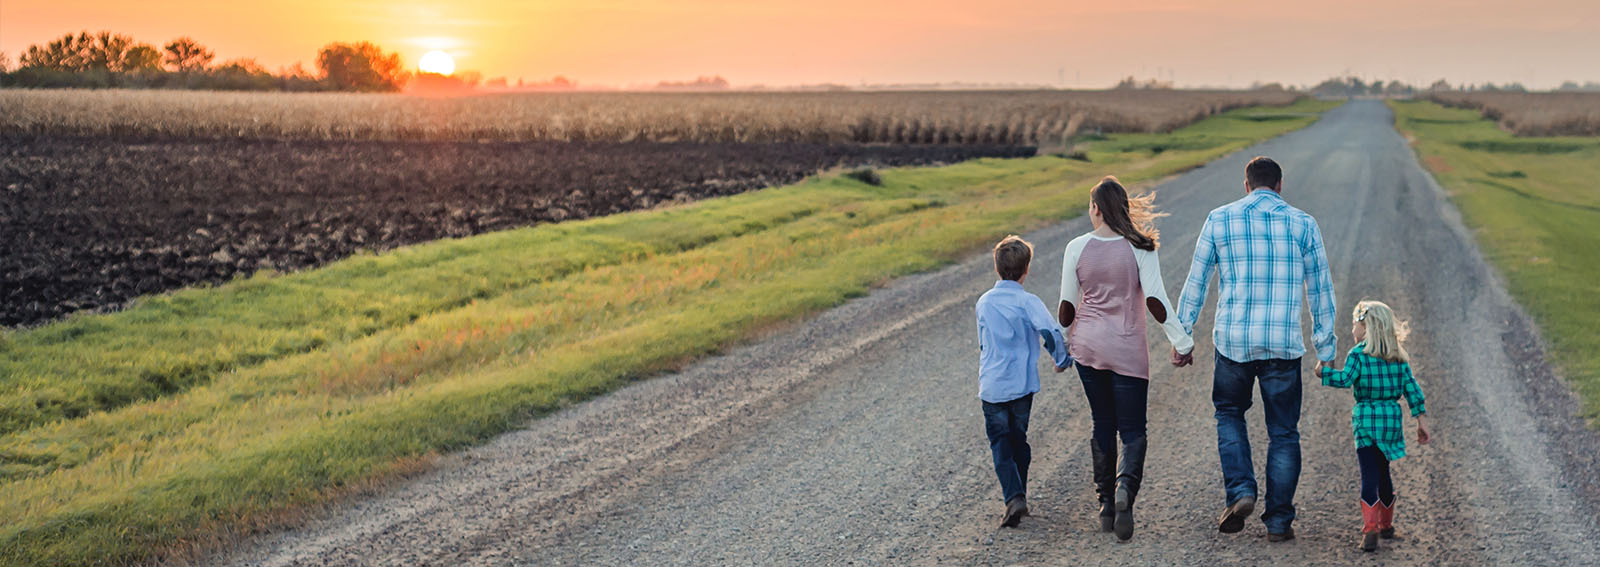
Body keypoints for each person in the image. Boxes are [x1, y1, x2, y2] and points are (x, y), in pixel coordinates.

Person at [1175, 156, 1337, 542]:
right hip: (1282, 344)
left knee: (1229, 414)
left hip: (1233, 343)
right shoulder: (1303, 224)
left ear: (1245, 185)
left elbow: (1196, 280)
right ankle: (1279, 521)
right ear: (1280, 186)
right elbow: (1320, 289)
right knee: (1284, 432)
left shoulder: (1220, 219)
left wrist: (1182, 338)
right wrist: (1325, 347)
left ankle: (1241, 491)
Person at [1057, 176, 1193, 541]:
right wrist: (1182, 342)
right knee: (1132, 430)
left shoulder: (1076, 247)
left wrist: (1062, 344)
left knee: (1102, 422)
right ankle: (1124, 494)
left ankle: (1104, 504)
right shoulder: (1140, 247)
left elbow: (1067, 309)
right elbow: (1156, 301)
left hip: (1087, 346)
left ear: (1096, 209)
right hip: (1127, 347)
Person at [976, 235, 1073, 528]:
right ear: (1026, 269)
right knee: (1019, 441)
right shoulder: (1028, 301)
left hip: (992, 386)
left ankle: (1013, 497)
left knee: (999, 444)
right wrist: (1061, 360)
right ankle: (1019, 496)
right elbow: (1051, 331)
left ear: (996, 268)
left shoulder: (984, 302)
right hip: (1021, 386)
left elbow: (983, 343)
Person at [1318, 300, 1430, 552]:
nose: (1353, 330)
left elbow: (1345, 379)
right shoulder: (1398, 356)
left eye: (1355, 324)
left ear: (1366, 326)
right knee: (1383, 473)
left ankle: (1370, 529)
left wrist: (1323, 372)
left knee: (1368, 474)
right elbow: (1412, 389)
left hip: (1366, 420)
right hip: (1390, 419)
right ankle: (1386, 526)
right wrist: (1421, 420)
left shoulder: (1357, 354)